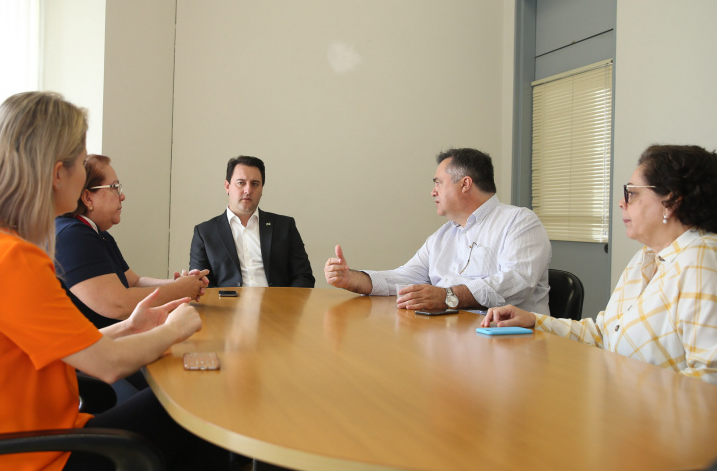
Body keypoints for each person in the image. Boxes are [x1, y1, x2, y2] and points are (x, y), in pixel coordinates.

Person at [0, 92, 259, 471]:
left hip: (13, 455)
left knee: (186, 436)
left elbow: (64, 350)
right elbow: (108, 366)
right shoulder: (13, 261)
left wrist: (132, 326)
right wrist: (174, 328)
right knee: (197, 406)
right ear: (59, 173)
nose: (85, 175)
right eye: (81, 163)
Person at [482, 144, 717, 385]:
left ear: (671, 200)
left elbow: (708, 380)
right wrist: (534, 320)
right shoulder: (645, 257)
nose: (621, 203)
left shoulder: (701, 259)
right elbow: (604, 334)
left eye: (632, 193)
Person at [325, 148, 552, 314]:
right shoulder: (444, 235)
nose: (433, 192)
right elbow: (405, 277)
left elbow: (518, 282)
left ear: (465, 184)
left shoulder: (519, 221)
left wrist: (448, 297)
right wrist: (352, 279)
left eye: (438, 183)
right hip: (456, 338)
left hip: (512, 344)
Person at [55, 154, 209, 329]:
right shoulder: (72, 236)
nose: (123, 196)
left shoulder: (98, 233)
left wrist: (181, 284)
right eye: (115, 188)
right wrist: (179, 290)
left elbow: (134, 281)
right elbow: (117, 304)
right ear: (88, 197)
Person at [190, 155, 315, 288]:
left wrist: (286, 304)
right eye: (241, 183)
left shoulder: (284, 226)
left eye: (255, 184)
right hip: (226, 306)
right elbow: (200, 282)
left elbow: (303, 276)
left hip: (277, 305)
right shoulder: (205, 232)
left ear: (262, 189)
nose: (248, 190)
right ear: (227, 186)